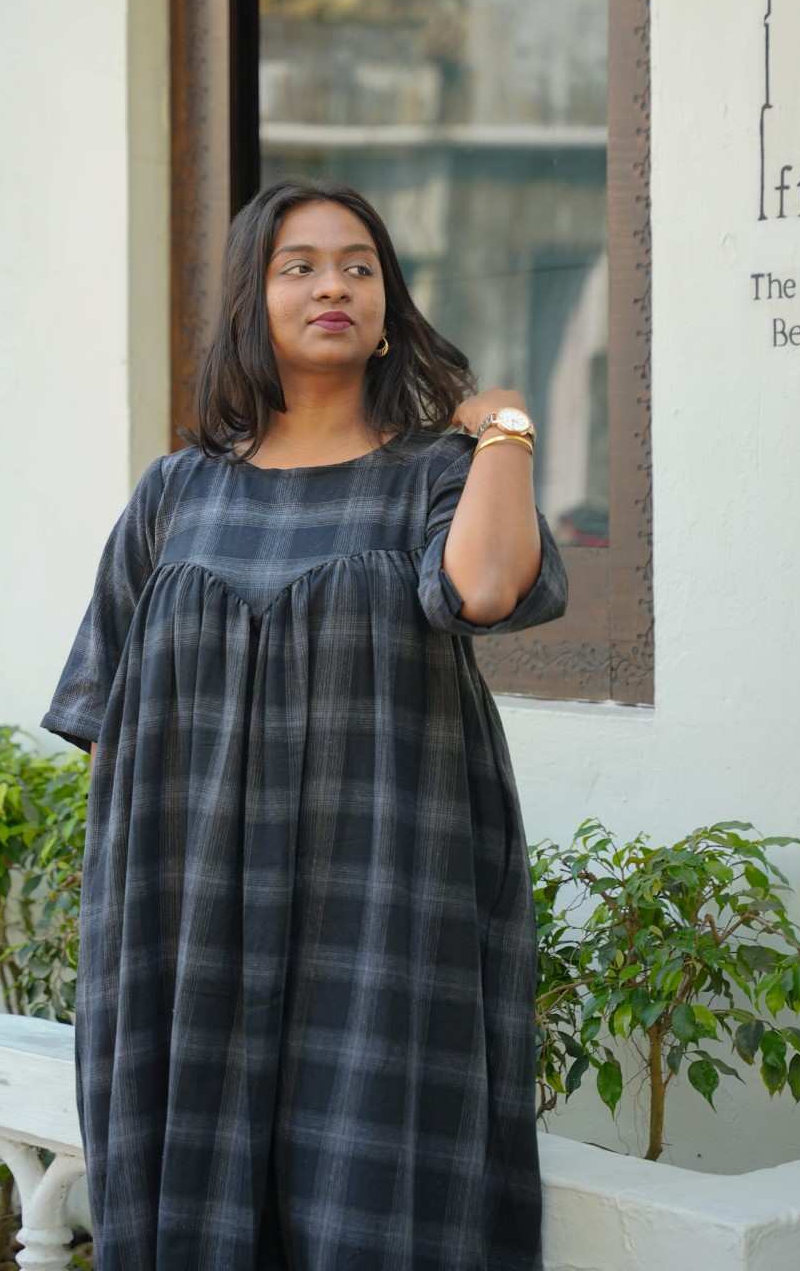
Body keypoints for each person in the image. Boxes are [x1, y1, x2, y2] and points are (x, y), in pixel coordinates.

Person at [41, 177, 570, 1270]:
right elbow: (108, 724)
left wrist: (504, 424)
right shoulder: (176, 493)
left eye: (358, 267)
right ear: (254, 298)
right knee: (190, 1191)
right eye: (300, 266)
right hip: (185, 920)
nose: (333, 285)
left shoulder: (434, 475)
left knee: (376, 1192)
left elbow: (481, 588)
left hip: (380, 908)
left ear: (388, 308)